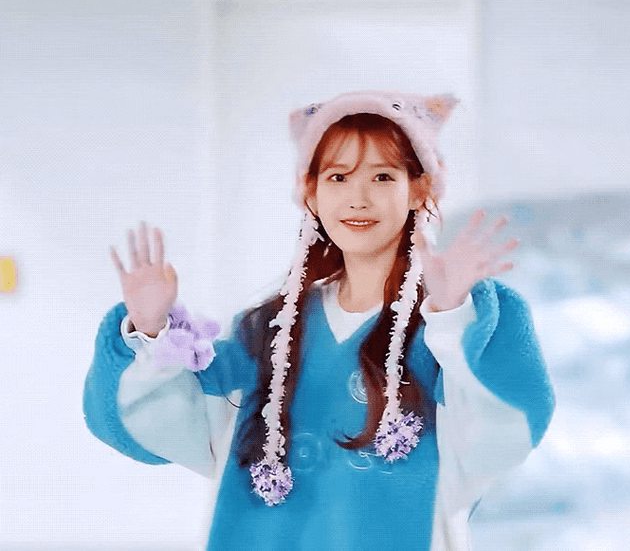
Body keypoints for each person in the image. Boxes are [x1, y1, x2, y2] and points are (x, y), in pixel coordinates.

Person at [83, 90, 556, 550]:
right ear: (310, 191)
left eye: (383, 176)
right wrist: (151, 330)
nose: (358, 198)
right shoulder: (266, 331)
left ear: (419, 189)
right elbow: (180, 429)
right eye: (337, 177)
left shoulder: (450, 322)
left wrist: (452, 315)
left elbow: (497, 438)